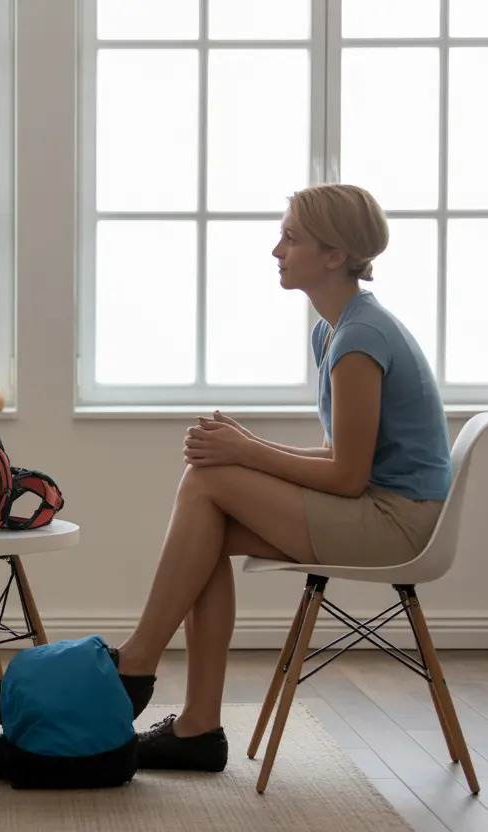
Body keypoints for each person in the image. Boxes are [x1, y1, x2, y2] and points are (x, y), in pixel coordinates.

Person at [109, 183, 452, 772]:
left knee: (207, 482)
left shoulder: (359, 340)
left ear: (334, 255)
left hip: (399, 523)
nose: (276, 249)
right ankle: (196, 726)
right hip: (377, 504)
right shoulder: (334, 328)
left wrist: (242, 450)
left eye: (291, 237)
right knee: (208, 515)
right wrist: (245, 449)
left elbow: (346, 476)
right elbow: (337, 455)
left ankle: (139, 661)